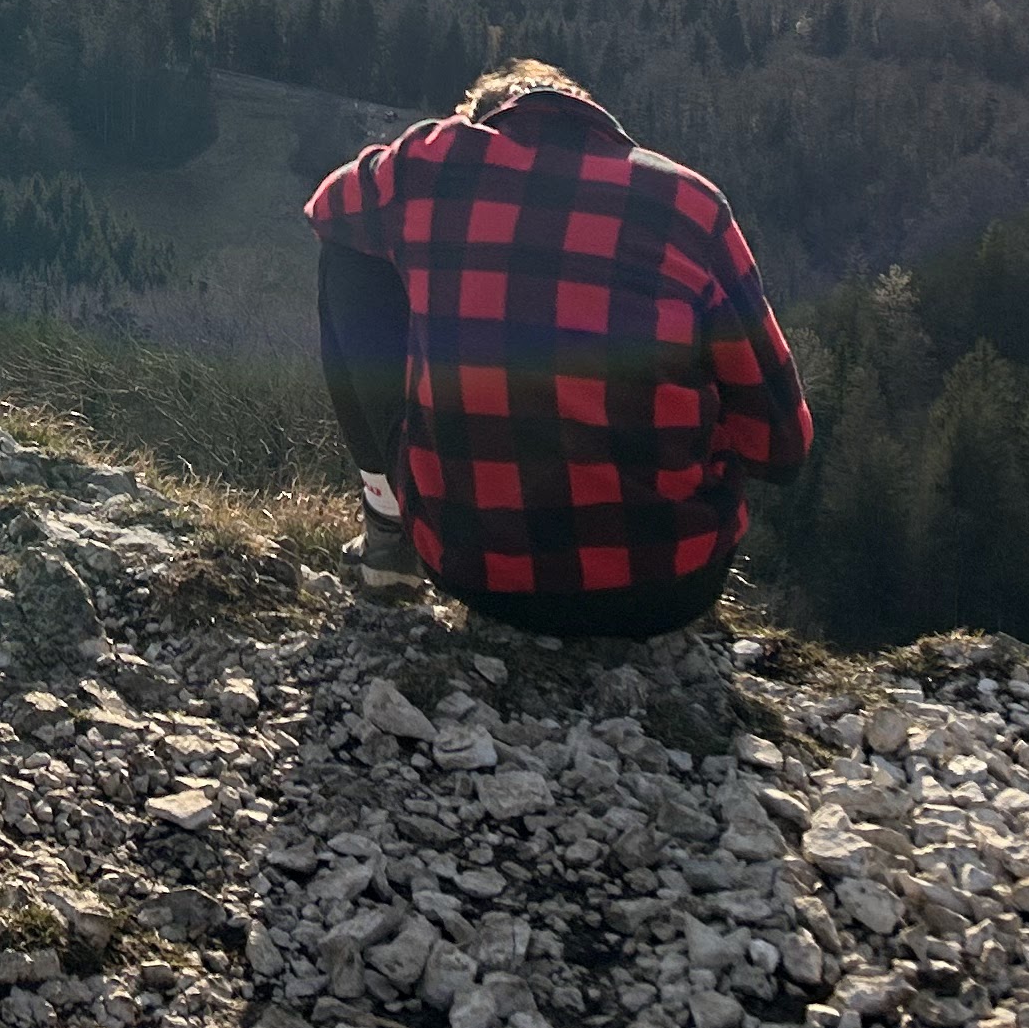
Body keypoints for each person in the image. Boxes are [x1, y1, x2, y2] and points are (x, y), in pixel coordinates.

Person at [303, 59, 811, 638]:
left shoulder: (433, 164)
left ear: (483, 122)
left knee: (347, 256)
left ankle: (388, 534)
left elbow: (327, 209)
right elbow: (783, 449)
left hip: (475, 572)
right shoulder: (689, 204)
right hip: (672, 585)